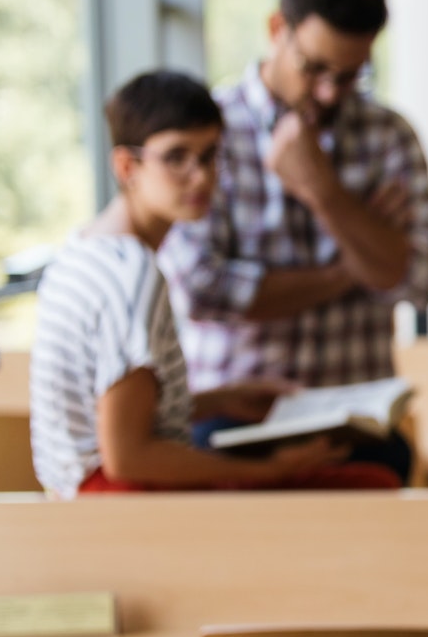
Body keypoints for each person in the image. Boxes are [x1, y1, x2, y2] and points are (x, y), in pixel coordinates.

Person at [29, 70, 396, 496]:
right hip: (121, 504)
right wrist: (270, 471)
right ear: (127, 166)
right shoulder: (132, 274)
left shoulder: (81, 249)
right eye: (176, 157)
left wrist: (221, 399)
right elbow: (126, 457)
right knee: (374, 482)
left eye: (209, 156)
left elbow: (114, 417)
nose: (200, 177)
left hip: (77, 495)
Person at [159, 0, 428, 488]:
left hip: (357, 423)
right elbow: (202, 291)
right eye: (314, 68)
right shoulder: (208, 136)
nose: (331, 92)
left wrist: (323, 192)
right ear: (276, 30)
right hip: (232, 422)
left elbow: (418, 282)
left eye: (350, 75)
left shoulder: (390, 137)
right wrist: (353, 266)